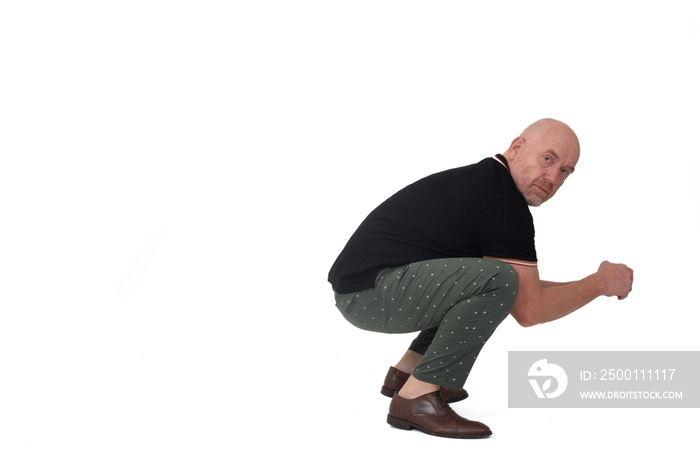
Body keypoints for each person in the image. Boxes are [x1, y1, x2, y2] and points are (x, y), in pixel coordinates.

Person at [328, 118, 634, 439]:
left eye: (565, 171)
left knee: (482, 279)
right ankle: (417, 398)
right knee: (495, 279)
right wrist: (601, 283)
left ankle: (405, 374)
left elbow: (523, 294)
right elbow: (530, 311)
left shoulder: (490, 184)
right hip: (371, 294)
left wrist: (595, 282)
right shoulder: (502, 203)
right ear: (517, 148)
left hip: (369, 288)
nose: (553, 177)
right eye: (548, 159)